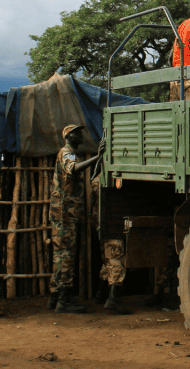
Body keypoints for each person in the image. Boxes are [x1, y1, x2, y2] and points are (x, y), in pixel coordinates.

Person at [47, 124, 102, 314]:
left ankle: (55, 297)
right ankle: (64, 301)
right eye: (77, 133)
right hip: (64, 213)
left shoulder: (70, 152)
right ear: (68, 136)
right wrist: (97, 158)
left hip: (65, 212)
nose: (81, 135)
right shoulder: (67, 153)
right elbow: (73, 169)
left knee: (60, 255)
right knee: (66, 256)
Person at [89, 175, 131, 315]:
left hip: (100, 223)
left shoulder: (96, 179)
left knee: (108, 259)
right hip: (111, 222)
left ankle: (101, 295)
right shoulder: (113, 177)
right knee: (116, 258)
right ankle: (113, 299)